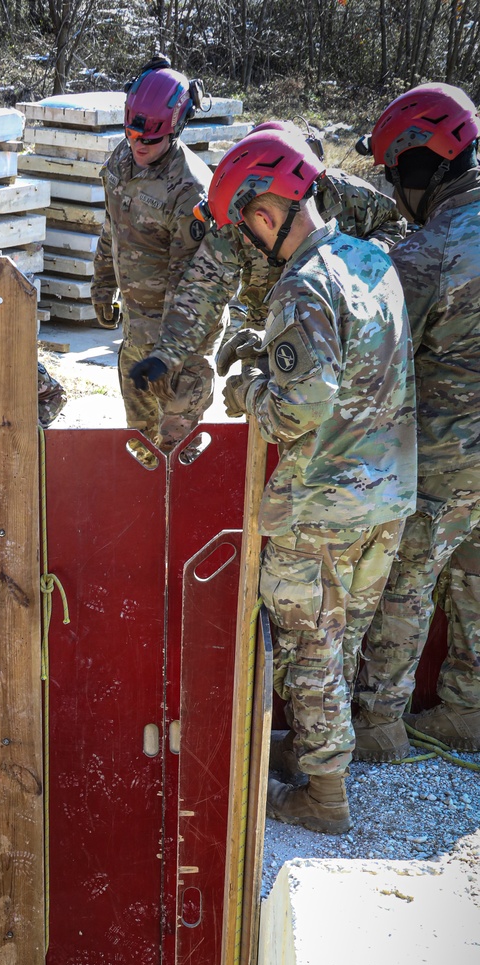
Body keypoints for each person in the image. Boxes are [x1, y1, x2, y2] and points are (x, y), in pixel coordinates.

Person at [212, 128, 417, 834]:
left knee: (311, 645)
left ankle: (324, 796)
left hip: (324, 501)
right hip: (388, 494)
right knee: (347, 632)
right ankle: (316, 756)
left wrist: (249, 390)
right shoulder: (373, 261)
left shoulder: (301, 286)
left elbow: (301, 407)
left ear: (264, 213)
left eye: (245, 225)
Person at [352, 85, 480, 759]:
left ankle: (377, 725)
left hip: (445, 456)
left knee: (408, 581)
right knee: (477, 578)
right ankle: (467, 709)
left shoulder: (427, 256)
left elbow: (372, 355)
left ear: (416, 168)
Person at [142, 120, 406, 389]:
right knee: (264, 411)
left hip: (343, 328)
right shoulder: (242, 211)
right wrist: (169, 352)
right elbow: (204, 286)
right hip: (266, 334)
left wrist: (361, 271)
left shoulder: (347, 193)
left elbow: (396, 224)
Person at [89, 56, 214, 451]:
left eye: (150, 139)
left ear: (176, 128)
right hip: (138, 333)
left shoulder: (189, 188)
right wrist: (102, 284)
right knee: (141, 448)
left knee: (179, 450)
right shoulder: (121, 161)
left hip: (180, 344)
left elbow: (193, 284)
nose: (138, 145)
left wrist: (167, 355)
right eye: (132, 134)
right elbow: (113, 226)